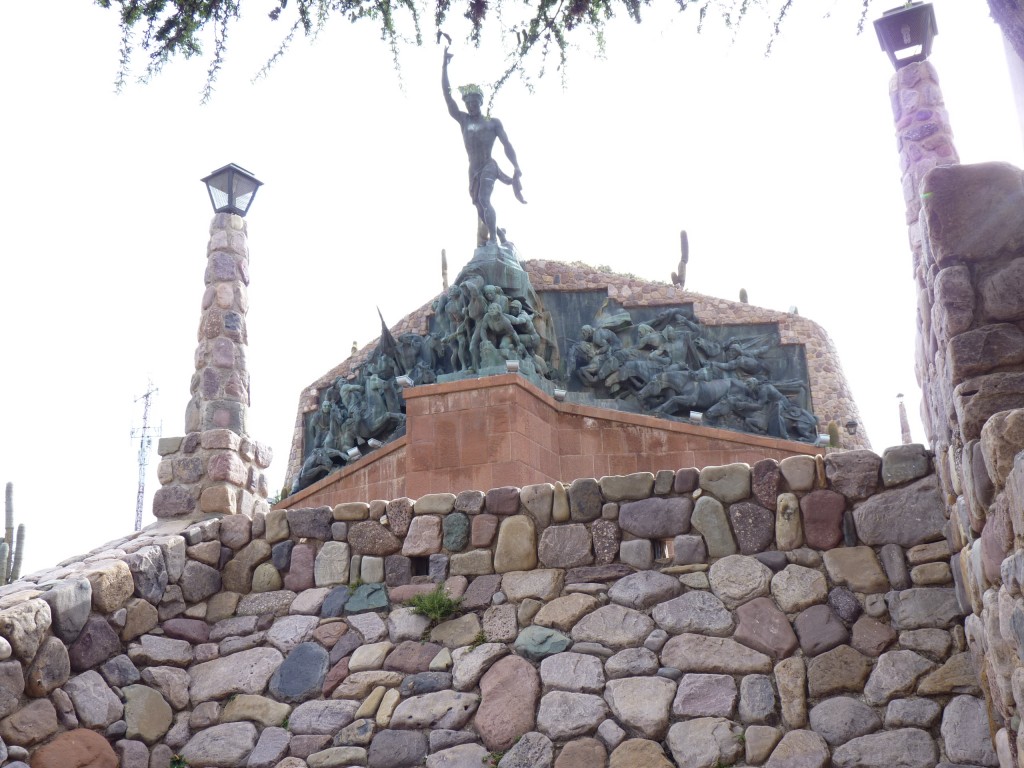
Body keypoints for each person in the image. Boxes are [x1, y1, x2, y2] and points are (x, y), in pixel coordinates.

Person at [442, 46, 525, 247]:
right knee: (479, 206)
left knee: (484, 200)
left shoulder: (492, 122)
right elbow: (446, 94)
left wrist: (516, 166)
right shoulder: (463, 120)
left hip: (489, 164)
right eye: (468, 102)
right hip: (473, 169)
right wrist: (444, 65)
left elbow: (507, 144)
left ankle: (494, 242)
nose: (471, 105)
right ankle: (500, 235)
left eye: (474, 102)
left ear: (480, 102)